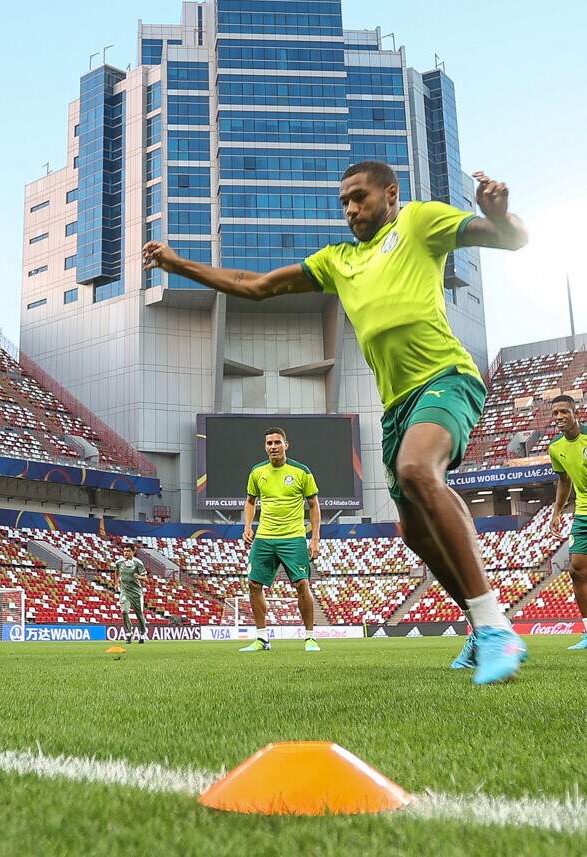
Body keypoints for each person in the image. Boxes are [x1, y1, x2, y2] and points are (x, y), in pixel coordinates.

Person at [145, 163, 529, 685]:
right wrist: (177, 264)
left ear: (390, 194)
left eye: (360, 198)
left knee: (418, 470)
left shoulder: (419, 222)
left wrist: (500, 216)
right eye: (344, 201)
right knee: (414, 533)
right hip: (396, 406)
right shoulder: (337, 261)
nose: (350, 209)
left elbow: (511, 240)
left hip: (447, 377)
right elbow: (253, 285)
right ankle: (478, 626)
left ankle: (495, 626)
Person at [237, 428, 321, 653]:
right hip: (264, 538)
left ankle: (310, 637)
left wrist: (314, 538)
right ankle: (262, 638)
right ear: (265, 447)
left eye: (277, 442)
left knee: (302, 584)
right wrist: (247, 526)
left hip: (293, 537)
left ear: (286, 445)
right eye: (269, 443)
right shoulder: (257, 472)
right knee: (254, 584)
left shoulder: (301, 472)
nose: (273, 446)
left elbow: (313, 505)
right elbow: (250, 501)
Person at [546, 394, 587, 651]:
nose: (559, 417)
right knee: (577, 570)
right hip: (583, 510)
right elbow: (564, 481)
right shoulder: (555, 448)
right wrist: (557, 512)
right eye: (555, 414)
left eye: (564, 412)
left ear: (575, 413)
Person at [113, 543, 149, 643]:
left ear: (133, 551)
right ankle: (129, 633)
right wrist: (116, 584)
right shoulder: (119, 562)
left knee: (139, 614)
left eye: (128, 551)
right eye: (124, 551)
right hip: (124, 591)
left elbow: (146, 578)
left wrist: (139, 577)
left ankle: (143, 633)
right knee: (124, 611)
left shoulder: (138, 563)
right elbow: (116, 572)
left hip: (136, 592)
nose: (126, 553)